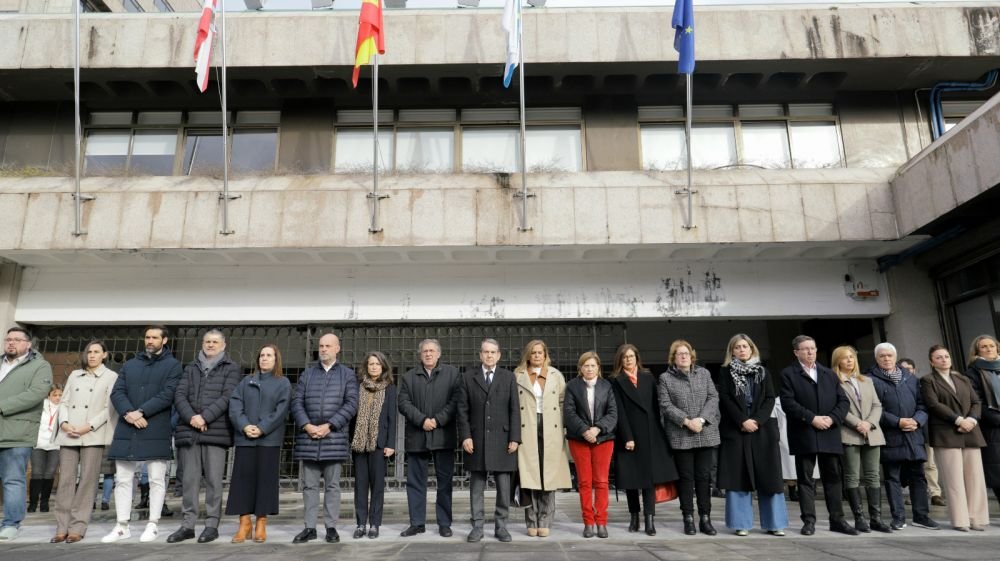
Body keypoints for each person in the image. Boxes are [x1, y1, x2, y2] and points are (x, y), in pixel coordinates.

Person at [102, 325, 183, 544]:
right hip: (128, 427)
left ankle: (153, 524)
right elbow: (117, 392)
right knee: (124, 479)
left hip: (155, 426)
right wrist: (129, 413)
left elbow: (168, 394)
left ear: (164, 340)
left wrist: (142, 411)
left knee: (157, 478)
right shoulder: (130, 365)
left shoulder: (173, 365)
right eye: (147, 337)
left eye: (155, 337)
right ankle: (122, 526)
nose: (150, 340)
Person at [167, 329, 241, 544]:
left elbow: (228, 396)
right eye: (207, 341)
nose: (210, 345)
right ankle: (188, 524)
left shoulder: (231, 368)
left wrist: (205, 417)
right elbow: (179, 395)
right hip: (190, 431)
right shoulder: (191, 368)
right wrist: (192, 417)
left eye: (215, 342)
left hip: (215, 432)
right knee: (189, 480)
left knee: (213, 481)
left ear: (223, 345)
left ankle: (211, 524)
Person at [779, 335, 856, 536]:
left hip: (829, 432)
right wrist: (812, 418)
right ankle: (809, 521)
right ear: (796, 352)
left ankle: (837, 519)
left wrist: (831, 419)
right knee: (806, 479)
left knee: (833, 477)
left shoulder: (828, 374)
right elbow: (788, 403)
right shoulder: (788, 374)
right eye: (805, 349)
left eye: (812, 348)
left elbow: (843, 401)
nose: (810, 352)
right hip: (804, 431)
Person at [290, 333, 359, 544]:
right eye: (321, 346)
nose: (323, 349)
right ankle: (309, 528)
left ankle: (331, 527)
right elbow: (296, 402)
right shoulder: (308, 374)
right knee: (309, 487)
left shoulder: (347, 374)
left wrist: (329, 426)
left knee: (332, 486)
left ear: (338, 348)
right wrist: (307, 425)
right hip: (309, 438)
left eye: (328, 346)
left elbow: (351, 403)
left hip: (333, 438)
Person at [717, 334, 788, 537]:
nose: (741, 350)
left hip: (763, 428)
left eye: (745, 346)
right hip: (736, 428)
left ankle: (775, 523)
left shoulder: (763, 371)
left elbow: (769, 398)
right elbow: (725, 398)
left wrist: (756, 420)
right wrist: (742, 420)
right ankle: (741, 524)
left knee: (769, 476)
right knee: (738, 476)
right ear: (732, 351)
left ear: (751, 349)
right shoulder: (725, 372)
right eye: (737, 347)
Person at [51, 341, 118, 543]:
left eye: (96, 352)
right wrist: (63, 423)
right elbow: (64, 401)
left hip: (92, 434)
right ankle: (61, 526)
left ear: (105, 355)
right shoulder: (74, 375)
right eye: (89, 351)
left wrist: (88, 426)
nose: (92, 355)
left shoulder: (111, 377)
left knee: (88, 481)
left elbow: (109, 408)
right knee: (65, 481)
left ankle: (78, 526)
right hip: (69, 432)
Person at [868, 342, 938, 530]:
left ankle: (921, 516)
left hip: (913, 434)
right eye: (882, 356)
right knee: (893, 478)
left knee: (918, 476)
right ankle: (898, 517)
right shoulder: (869, 380)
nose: (886, 358)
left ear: (895, 357)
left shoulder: (911, 378)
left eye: (890, 355)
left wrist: (917, 420)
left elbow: (923, 405)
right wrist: (897, 421)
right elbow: (873, 409)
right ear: (876, 359)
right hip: (890, 435)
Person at [226, 344, 291, 543]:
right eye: (262, 355)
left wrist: (262, 427)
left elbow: (281, 410)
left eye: (269, 355)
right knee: (242, 481)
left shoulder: (283, 383)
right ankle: (244, 523)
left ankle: (261, 523)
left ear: (276, 359)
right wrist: (245, 426)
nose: (264, 358)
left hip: (268, 440)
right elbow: (235, 405)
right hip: (245, 439)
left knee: (265, 481)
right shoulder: (247, 381)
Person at [610, 343, 678, 536]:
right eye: (625, 357)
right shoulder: (615, 380)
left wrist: (660, 434)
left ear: (637, 358)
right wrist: (627, 436)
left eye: (631, 356)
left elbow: (657, 408)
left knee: (649, 479)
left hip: (650, 434)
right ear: (620, 360)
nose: (628, 360)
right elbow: (619, 411)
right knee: (631, 479)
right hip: (629, 435)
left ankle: (650, 519)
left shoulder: (648, 378)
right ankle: (634, 516)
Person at [457, 338, 520, 543]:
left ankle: (501, 527)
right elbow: (462, 410)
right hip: (476, 439)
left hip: (503, 440)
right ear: (480, 355)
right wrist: (465, 435)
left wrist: (515, 438)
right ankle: (477, 527)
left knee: (503, 487)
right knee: (476, 486)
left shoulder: (508, 377)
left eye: (493, 352)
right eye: (486, 352)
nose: (489, 355)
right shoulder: (468, 377)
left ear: (499, 355)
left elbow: (514, 409)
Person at [921, 344, 989, 532]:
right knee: (954, 479)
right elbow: (934, 405)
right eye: (939, 357)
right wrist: (958, 419)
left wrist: (972, 420)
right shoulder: (928, 380)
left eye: (946, 356)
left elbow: (976, 401)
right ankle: (961, 520)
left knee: (975, 477)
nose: (944, 360)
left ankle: (977, 518)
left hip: (970, 431)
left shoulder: (962, 378)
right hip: (947, 432)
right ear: (931, 362)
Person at [398, 339, 461, 538]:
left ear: (439, 354)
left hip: (443, 436)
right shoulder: (409, 376)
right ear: (420, 354)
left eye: (432, 351)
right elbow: (403, 403)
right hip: (417, 436)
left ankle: (444, 523)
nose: (428, 354)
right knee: (415, 483)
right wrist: (422, 420)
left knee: (444, 482)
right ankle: (417, 523)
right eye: (425, 351)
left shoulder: (452, 374)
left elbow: (456, 400)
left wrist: (438, 420)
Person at [657, 339, 719, 536]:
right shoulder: (665, 378)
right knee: (686, 479)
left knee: (704, 477)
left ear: (692, 355)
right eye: (679, 353)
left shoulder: (704, 373)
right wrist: (686, 421)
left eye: (686, 353)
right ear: (673, 358)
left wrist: (701, 419)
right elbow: (665, 405)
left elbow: (713, 397)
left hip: (704, 432)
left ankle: (705, 518)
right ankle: (688, 518)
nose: (683, 356)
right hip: (681, 434)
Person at [0, 326, 53, 542]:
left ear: (28, 344)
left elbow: (36, 393)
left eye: (16, 340)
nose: (11, 343)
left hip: (18, 432)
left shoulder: (40, 366)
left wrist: (2, 406)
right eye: (8, 339)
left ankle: (11, 523)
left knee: (13, 479)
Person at [514, 339, 572, 537]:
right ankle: (531, 520)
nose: (537, 355)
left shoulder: (556, 375)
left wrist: (564, 427)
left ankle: (545, 520)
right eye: (533, 352)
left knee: (549, 476)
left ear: (545, 355)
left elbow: (563, 402)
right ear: (528, 355)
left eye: (540, 352)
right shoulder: (518, 375)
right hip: (527, 427)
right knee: (530, 476)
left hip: (551, 428)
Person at [832, 345, 890, 533]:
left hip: (872, 432)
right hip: (850, 432)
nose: (849, 360)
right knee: (852, 476)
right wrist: (858, 423)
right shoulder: (834, 381)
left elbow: (877, 405)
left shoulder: (867, 381)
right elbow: (839, 407)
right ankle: (859, 517)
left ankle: (876, 518)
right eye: (844, 358)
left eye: (851, 357)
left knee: (873, 476)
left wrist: (869, 423)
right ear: (837, 361)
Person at [564, 351, 616, 539]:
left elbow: (612, 413)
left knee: (601, 481)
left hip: (603, 439)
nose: (589, 369)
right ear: (580, 368)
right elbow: (569, 413)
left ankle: (601, 522)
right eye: (586, 365)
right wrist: (585, 430)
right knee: (585, 482)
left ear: (598, 368)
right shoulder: (572, 386)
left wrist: (598, 429)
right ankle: (588, 522)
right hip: (579, 439)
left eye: (593, 365)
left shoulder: (606, 386)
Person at [350, 351, 396, 540]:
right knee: (360, 485)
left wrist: (390, 444)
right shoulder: (357, 386)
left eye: (377, 364)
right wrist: (351, 439)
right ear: (366, 367)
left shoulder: (390, 388)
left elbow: (392, 418)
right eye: (371, 364)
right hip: (359, 443)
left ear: (383, 366)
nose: (374, 367)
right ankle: (360, 523)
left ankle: (374, 524)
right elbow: (352, 416)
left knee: (377, 486)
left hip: (379, 444)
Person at [901, 357, 946, 507]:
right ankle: (912, 493)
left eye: (909, 368)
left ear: (914, 369)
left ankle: (935, 493)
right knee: (909, 463)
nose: (906, 371)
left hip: (924, 428)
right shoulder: (898, 384)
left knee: (930, 463)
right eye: (903, 368)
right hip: (906, 430)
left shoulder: (922, 383)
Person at [965, 335, 1000, 506]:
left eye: (991, 346)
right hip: (992, 427)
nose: (988, 349)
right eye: (984, 347)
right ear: (977, 351)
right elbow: (977, 401)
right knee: (998, 472)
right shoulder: (973, 372)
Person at [28, 384, 62, 513]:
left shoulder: (64, 408)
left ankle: (44, 503)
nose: (58, 398)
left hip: (55, 445)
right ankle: (32, 503)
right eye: (55, 395)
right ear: (49, 395)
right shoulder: (41, 406)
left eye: (60, 395)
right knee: (37, 472)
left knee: (50, 473)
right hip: (39, 443)